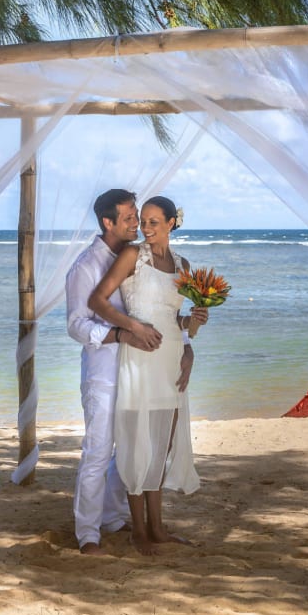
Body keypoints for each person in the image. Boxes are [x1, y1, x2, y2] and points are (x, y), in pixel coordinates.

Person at [87, 195, 208, 555]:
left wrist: (194, 327)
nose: (146, 228)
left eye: (154, 222)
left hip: (171, 361)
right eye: (143, 221)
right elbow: (97, 301)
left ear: (172, 223)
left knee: (161, 446)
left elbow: (176, 322)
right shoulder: (132, 256)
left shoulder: (183, 265)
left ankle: (158, 528)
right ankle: (138, 531)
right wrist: (133, 327)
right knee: (136, 444)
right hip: (140, 358)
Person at [66, 189, 176, 555]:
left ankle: (112, 517)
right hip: (104, 373)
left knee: (126, 451)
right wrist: (120, 333)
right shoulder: (85, 266)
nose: (136, 224)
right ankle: (87, 533)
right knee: (98, 451)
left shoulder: (137, 257)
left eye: (137, 216)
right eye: (129, 218)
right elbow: (76, 325)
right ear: (107, 222)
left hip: (140, 372)